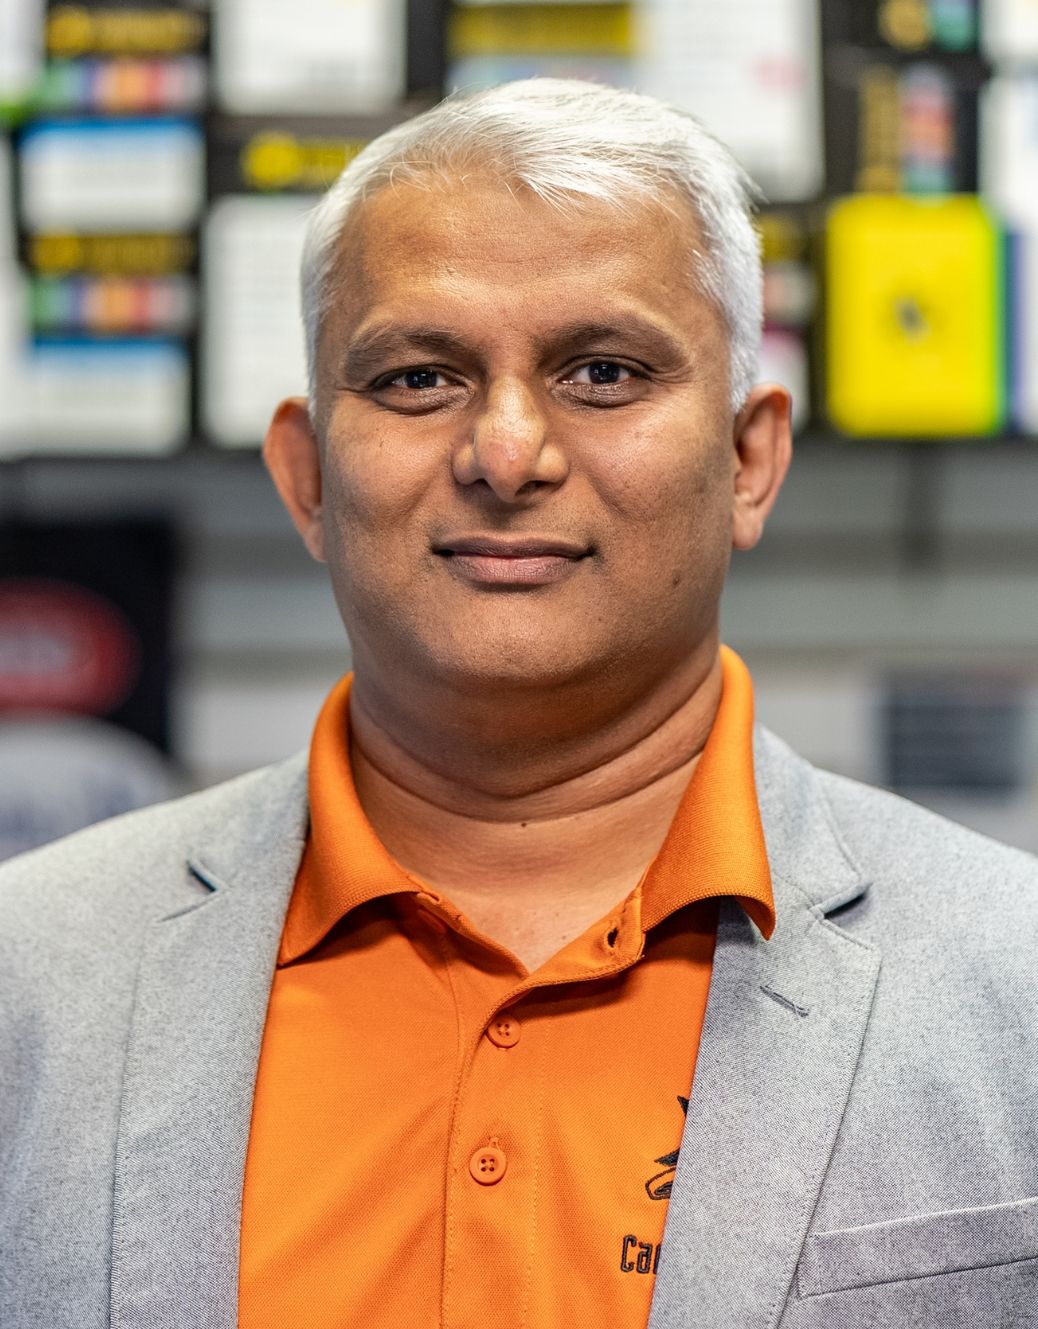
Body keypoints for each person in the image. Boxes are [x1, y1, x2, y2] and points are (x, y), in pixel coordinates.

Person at [1, 79, 1035, 1329]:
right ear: (306, 475)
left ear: (750, 458)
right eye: (418, 378)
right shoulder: (30, 981)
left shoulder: (1010, 982)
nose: (505, 450)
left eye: (603, 372)